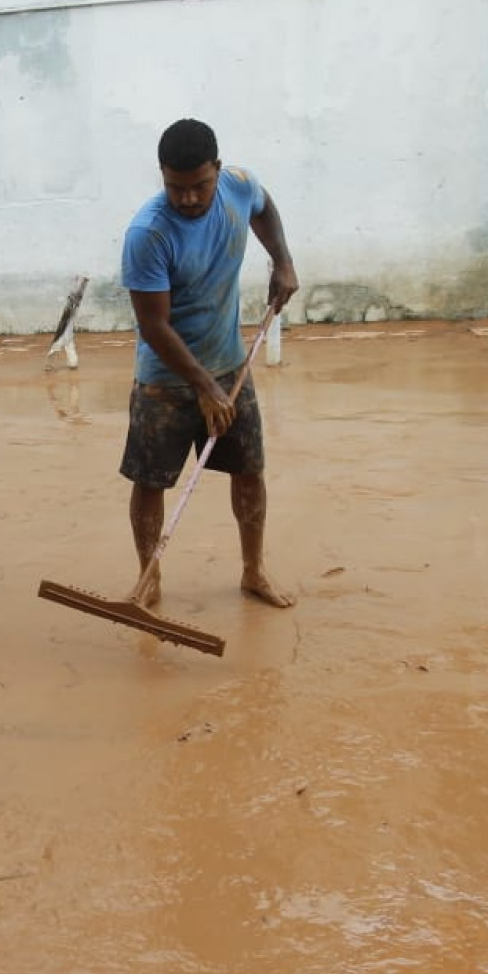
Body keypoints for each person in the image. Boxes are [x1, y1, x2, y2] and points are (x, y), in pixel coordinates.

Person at [119, 118, 299, 609]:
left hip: (228, 365)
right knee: (151, 481)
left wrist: (282, 260)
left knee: (249, 471)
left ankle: (253, 571)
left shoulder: (239, 185)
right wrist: (202, 387)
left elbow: (263, 207)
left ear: (217, 170)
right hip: (165, 379)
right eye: (176, 188)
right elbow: (154, 327)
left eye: (200, 185)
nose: (189, 199)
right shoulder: (148, 234)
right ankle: (148, 576)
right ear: (162, 176)